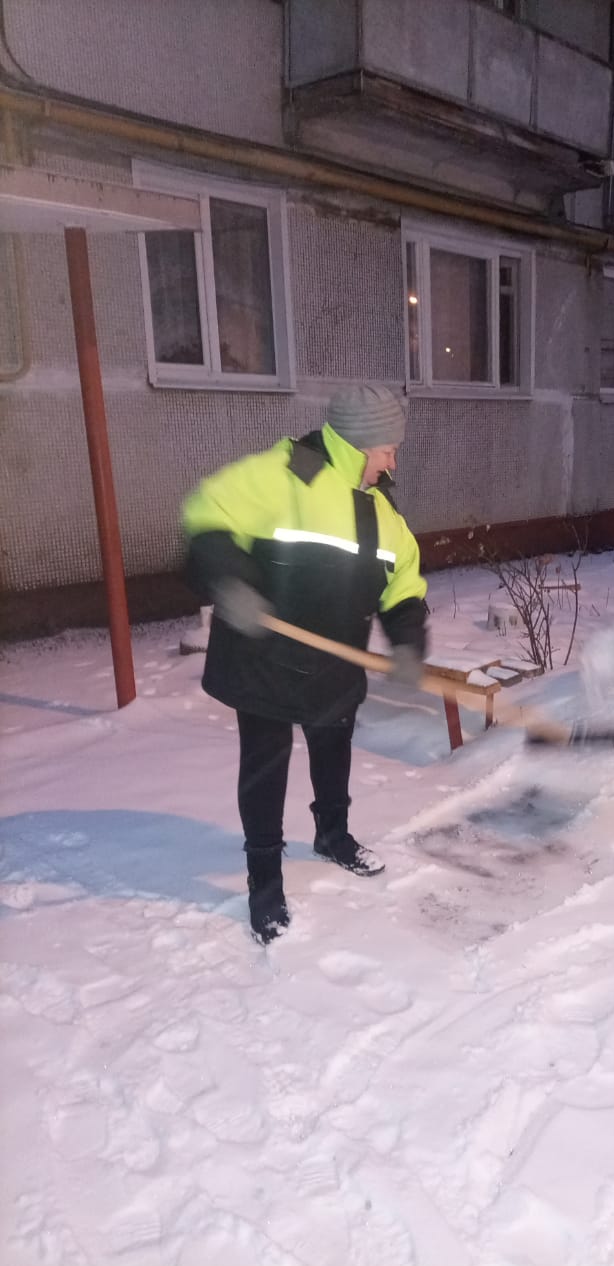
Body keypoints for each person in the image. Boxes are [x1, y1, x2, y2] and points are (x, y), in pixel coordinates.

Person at [181, 383, 428, 944]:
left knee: (334, 751)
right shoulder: (288, 473)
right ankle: (265, 881)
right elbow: (206, 512)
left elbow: (403, 584)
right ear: (360, 443)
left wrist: (408, 642)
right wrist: (231, 582)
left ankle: (332, 836)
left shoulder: (380, 510)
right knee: (265, 769)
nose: (393, 462)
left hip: (333, 663)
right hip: (264, 659)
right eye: (388, 449)